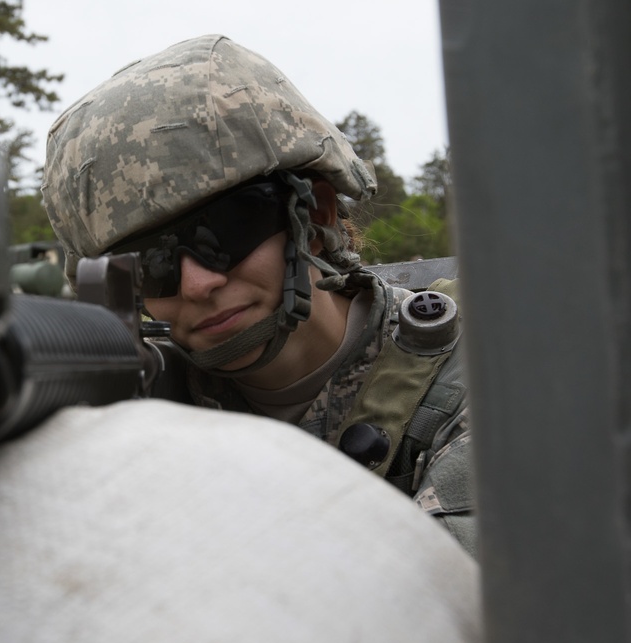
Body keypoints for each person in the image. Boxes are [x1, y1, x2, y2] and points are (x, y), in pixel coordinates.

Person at [41, 34, 475, 555]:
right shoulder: (145, 401)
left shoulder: (482, 382)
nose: (199, 284)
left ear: (315, 215)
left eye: (224, 233)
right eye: (151, 265)